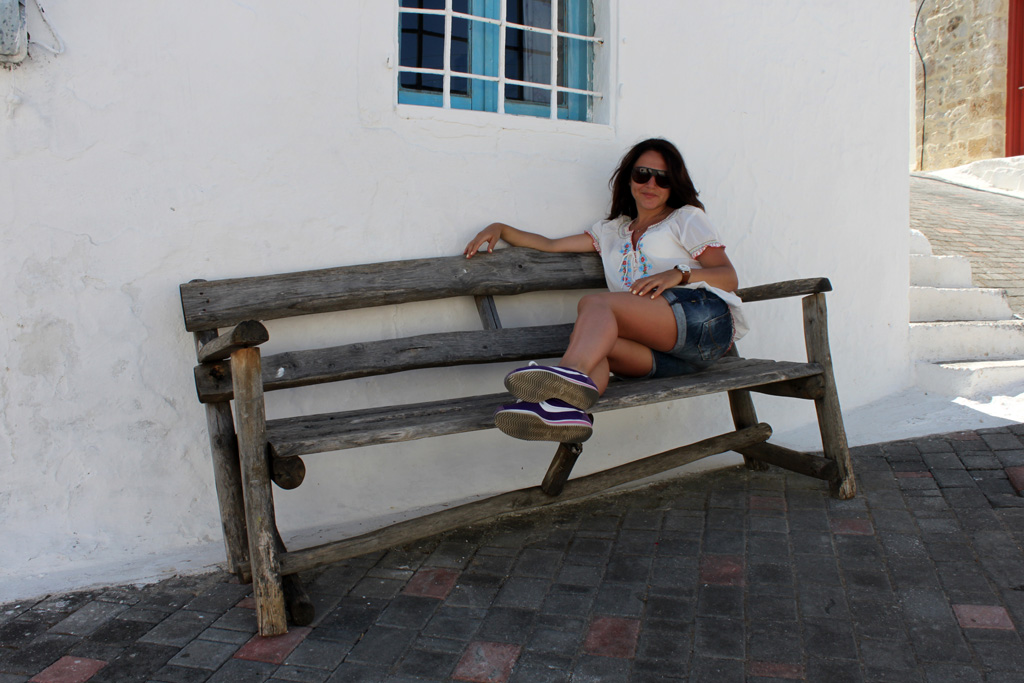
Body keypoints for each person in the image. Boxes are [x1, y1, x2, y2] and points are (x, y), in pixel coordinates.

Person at [463, 138, 747, 444]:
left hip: (703, 322)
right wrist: (501, 228)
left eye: (662, 178)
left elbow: (728, 277)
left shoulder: (685, 218)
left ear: (673, 184)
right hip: (675, 360)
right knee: (598, 346)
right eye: (642, 174)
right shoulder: (611, 231)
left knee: (596, 304)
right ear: (629, 178)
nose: (651, 184)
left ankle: (561, 383)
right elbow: (550, 244)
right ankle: (565, 409)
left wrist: (678, 274)